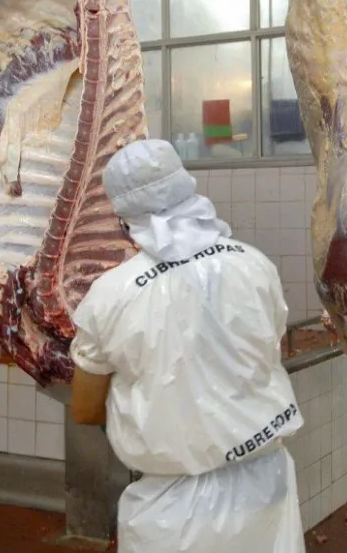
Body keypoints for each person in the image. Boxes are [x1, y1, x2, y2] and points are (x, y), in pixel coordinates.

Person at [68, 139, 305, 553]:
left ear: (124, 219)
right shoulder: (254, 264)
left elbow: (86, 409)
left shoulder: (110, 295)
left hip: (172, 511)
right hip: (267, 486)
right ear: (188, 190)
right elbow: (266, 352)